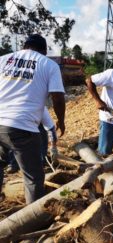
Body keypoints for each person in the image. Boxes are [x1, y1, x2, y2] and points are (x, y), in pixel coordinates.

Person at [0, 34, 65, 204]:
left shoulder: (4, 59)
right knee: (33, 177)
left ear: (24, 46)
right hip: (22, 127)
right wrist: (61, 121)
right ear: (44, 50)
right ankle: (32, 219)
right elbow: (57, 98)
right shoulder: (49, 65)